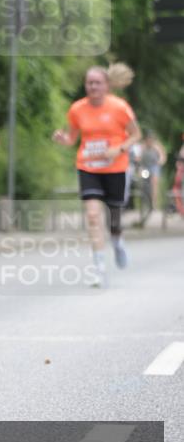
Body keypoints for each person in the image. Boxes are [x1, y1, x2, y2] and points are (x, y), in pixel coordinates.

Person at [52, 63, 141, 287]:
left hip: (115, 167)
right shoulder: (77, 109)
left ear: (107, 85)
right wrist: (64, 139)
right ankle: (98, 266)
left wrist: (118, 149)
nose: (93, 87)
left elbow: (135, 135)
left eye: (97, 83)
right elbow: (73, 138)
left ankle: (118, 241)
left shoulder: (120, 107)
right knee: (93, 216)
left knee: (114, 217)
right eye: (89, 83)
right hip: (88, 166)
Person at [134, 130, 167, 211]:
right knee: (141, 180)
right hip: (145, 167)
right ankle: (143, 200)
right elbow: (138, 157)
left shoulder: (157, 146)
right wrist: (138, 163)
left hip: (154, 166)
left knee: (154, 182)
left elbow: (162, 157)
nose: (149, 141)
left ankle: (153, 203)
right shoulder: (143, 146)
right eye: (148, 139)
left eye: (151, 139)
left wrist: (160, 161)